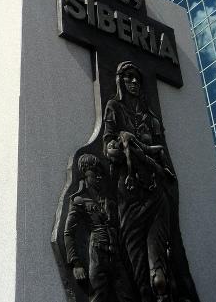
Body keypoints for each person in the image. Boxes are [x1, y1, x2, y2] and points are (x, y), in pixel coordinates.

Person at [103, 62, 174, 302]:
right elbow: (108, 145)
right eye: (129, 78)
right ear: (120, 81)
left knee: (159, 274)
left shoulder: (150, 118)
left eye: (137, 79)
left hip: (155, 194)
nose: (134, 82)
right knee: (137, 269)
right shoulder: (114, 107)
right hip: (130, 195)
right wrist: (116, 148)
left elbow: (160, 151)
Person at [64, 154, 118, 302]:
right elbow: (69, 233)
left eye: (100, 173)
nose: (99, 177)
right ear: (85, 175)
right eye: (94, 173)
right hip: (98, 254)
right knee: (98, 296)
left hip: (116, 255)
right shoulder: (80, 200)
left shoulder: (107, 198)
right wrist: (76, 263)